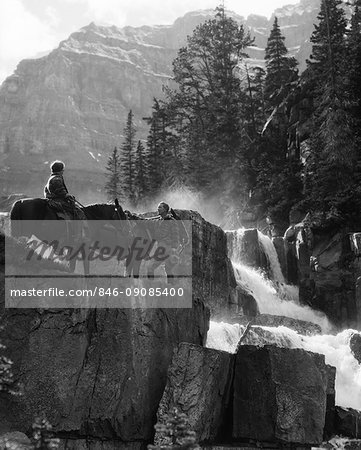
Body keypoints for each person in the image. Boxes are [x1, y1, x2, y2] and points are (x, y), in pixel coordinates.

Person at [146, 201, 189, 283]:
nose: (157, 209)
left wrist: (174, 247)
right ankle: (171, 284)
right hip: (165, 246)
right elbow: (147, 221)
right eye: (158, 207)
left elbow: (175, 234)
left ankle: (150, 283)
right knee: (168, 268)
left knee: (151, 267)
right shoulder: (160, 220)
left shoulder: (171, 221)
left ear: (165, 209)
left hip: (167, 247)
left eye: (160, 207)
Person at [44, 160, 86, 239]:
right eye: (62, 169)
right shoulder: (56, 179)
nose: (63, 171)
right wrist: (68, 196)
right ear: (60, 170)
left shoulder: (53, 177)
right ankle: (77, 235)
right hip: (57, 201)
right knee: (78, 211)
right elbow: (60, 191)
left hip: (54, 200)